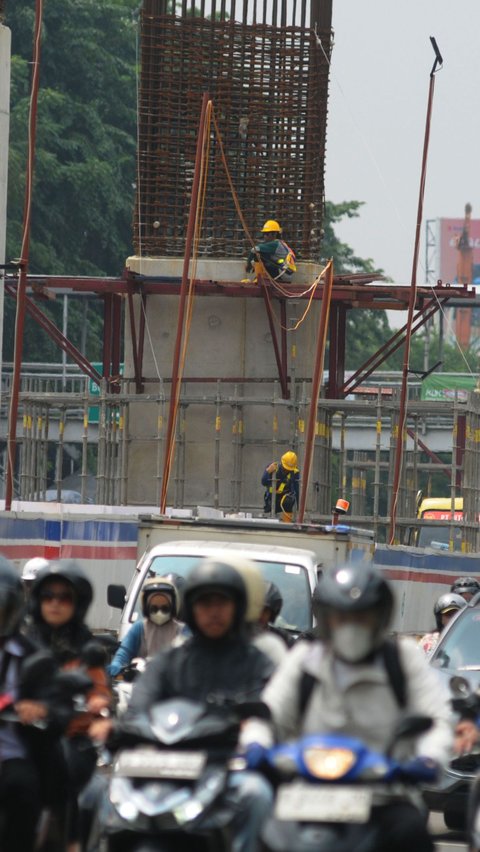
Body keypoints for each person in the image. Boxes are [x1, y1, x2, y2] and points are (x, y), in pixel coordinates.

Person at [258, 563, 453, 852]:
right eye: (341, 618)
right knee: (260, 834)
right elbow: (267, 716)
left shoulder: (403, 660)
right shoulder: (303, 660)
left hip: (383, 795)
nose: (350, 628)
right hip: (305, 796)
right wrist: (255, 745)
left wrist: (428, 758)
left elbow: (438, 719)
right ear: (325, 620)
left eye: (360, 618)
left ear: (379, 618)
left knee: (412, 834)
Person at [91, 556, 275, 852]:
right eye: (205, 603)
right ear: (191, 608)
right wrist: (116, 729)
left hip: (226, 767)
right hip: (166, 768)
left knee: (257, 795)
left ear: (237, 607)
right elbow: (138, 709)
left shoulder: (257, 662)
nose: (213, 612)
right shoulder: (168, 662)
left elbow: (267, 713)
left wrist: (255, 739)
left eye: (222, 602)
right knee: (102, 790)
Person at [26, 560, 112, 851]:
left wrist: (99, 711)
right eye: (48, 596)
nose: (55, 603)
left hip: (71, 739)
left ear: (78, 603)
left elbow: (99, 692)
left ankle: (71, 842)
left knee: (59, 761)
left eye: (64, 597)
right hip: (21, 735)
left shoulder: (87, 648)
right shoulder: (23, 642)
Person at [0, 556, 68, 852]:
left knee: (23, 788)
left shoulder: (32, 655)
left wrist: (42, 710)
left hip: (11, 756)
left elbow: (57, 704)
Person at [107, 574, 184, 677]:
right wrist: (116, 664)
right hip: (141, 684)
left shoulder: (182, 630)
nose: (159, 612)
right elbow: (125, 652)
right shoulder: (139, 628)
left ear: (174, 605)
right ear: (146, 606)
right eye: (154, 607)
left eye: (164, 607)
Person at [261, 450, 300, 522]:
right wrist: (267, 471)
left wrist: (299, 510)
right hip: (272, 499)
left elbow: (297, 490)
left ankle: (286, 524)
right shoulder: (273, 467)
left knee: (289, 500)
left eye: (289, 469)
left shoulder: (294, 473)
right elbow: (264, 482)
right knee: (270, 509)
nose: (287, 470)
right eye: (286, 468)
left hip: (285, 501)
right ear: (282, 463)